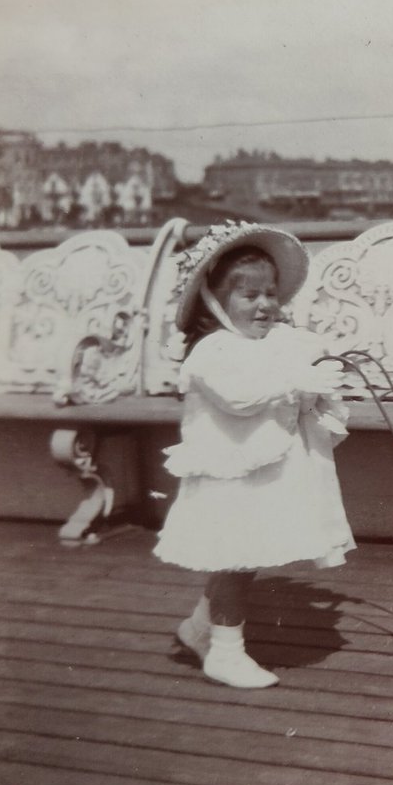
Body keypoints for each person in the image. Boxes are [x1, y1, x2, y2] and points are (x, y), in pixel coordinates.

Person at [154, 221, 354, 688]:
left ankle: (201, 629)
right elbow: (240, 396)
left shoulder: (273, 345)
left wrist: (317, 383)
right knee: (235, 557)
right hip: (231, 473)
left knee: (244, 553)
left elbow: (293, 381)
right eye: (249, 296)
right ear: (216, 303)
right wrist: (296, 382)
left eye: (271, 294)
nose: (265, 305)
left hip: (261, 473)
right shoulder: (213, 352)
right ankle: (225, 650)